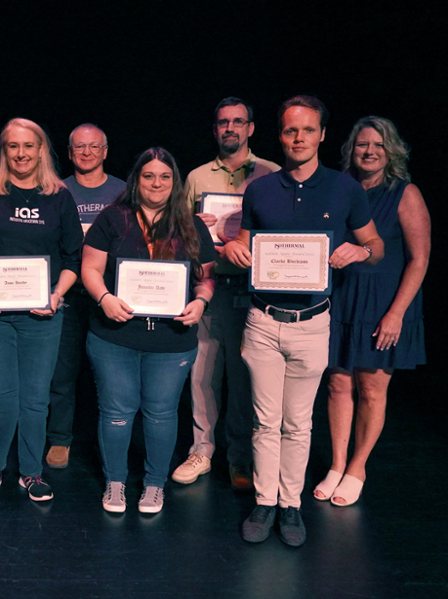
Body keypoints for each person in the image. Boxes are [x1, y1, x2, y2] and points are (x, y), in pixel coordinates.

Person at [223, 96, 384, 546]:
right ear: (280, 135)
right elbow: (245, 243)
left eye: (308, 130)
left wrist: (362, 250)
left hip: (313, 322)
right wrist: (237, 249)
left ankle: (291, 505)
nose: (299, 138)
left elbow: (376, 244)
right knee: (264, 420)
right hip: (263, 320)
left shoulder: (345, 189)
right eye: (291, 131)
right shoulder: (260, 189)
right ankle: (265, 501)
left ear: (322, 135)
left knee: (298, 422)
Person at [0, 117, 82, 503]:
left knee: (36, 398)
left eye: (28, 146)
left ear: (42, 150)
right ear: (3, 151)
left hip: (43, 315)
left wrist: (57, 295)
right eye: (13, 146)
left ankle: (31, 473)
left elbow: (73, 257)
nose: (21, 154)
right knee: (0, 396)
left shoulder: (59, 197)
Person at [82, 148, 216, 514]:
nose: (156, 183)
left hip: (171, 340)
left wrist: (201, 302)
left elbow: (206, 278)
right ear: (136, 180)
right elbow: (90, 268)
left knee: (161, 413)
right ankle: (115, 482)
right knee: (116, 411)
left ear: (174, 182)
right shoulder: (113, 217)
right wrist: (104, 297)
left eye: (164, 176)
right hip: (115, 336)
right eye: (148, 176)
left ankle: (154, 484)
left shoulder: (190, 222)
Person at [313, 116, 429, 507]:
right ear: (351, 150)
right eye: (362, 145)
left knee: (372, 389)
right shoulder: (340, 191)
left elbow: (419, 259)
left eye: (378, 145)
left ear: (390, 150)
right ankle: (337, 464)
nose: (369, 151)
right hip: (342, 301)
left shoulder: (404, 193)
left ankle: (357, 468)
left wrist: (397, 313)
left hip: (384, 305)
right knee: (337, 385)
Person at [173, 98, 280, 491]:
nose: (230, 128)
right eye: (223, 123)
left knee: (244, 380)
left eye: (238, 122)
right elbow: (178, 234)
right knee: (202, 377)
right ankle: (202, 450)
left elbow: (284, 236)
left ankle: (240, 457)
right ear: (215, 129)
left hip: (254, 293)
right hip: (209, 288)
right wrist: (195, 229)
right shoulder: (197, 176)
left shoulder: (272, 174)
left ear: (251, 127)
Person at [45, 123, 126, 470]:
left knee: (112, 376)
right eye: (80, 147)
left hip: (112, 296)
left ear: (106, 151)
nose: (87, 152)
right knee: (62, 372)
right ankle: (60, 438)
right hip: (67, 295)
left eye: (94, 147)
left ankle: (111, 440)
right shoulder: (55, 190)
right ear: (69, 151)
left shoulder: (124, 191)